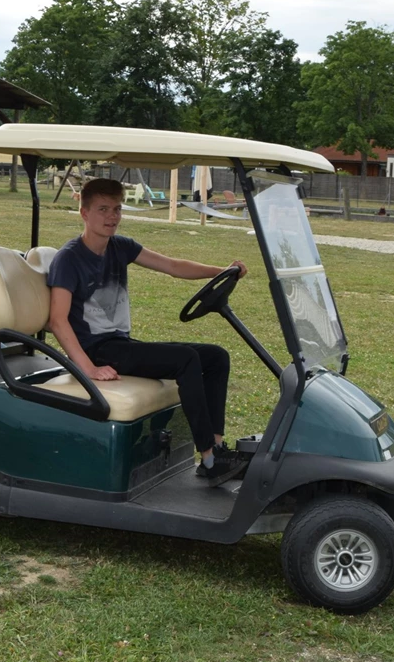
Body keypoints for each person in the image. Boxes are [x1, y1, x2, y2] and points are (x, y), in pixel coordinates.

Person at [46, 178, 250, 487]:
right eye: (102, 209)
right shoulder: (69, 259)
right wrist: (88, 369)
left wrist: (220, 271)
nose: (111, 217)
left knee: (215, 357)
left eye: (116, 209)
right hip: (98, 351)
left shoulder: (120, 247)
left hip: (119, 344)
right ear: (84, 213)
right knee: (185, 359)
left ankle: (217, 449)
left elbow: (172, 265)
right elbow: (57, 320)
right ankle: (209, 458)